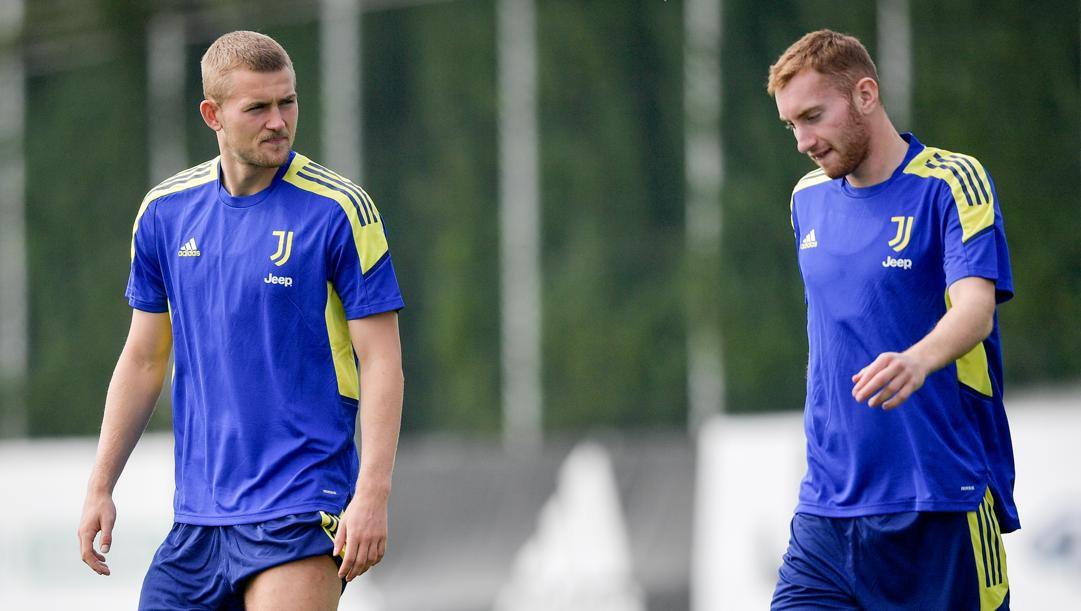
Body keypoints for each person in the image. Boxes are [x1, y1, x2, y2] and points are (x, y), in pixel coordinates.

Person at [76, 30, 405, 610]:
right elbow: (144, 357)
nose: (279, 121)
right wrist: (101, 484)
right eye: (258, 107)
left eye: (288, 101)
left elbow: (381, 360)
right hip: (198, 519)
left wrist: (372, 493)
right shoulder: (165, 213)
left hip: (302, 505)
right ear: (213, 115)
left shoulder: (339, 210)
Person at [767, 30, 1017, 609]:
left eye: (813, 116)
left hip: (939, 500)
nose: (803, 141)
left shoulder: (951, 182)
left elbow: (975, 310)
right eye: (791, 126)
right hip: (827, 511)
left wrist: (917, 359)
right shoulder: (807, 198)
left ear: (865, 94)